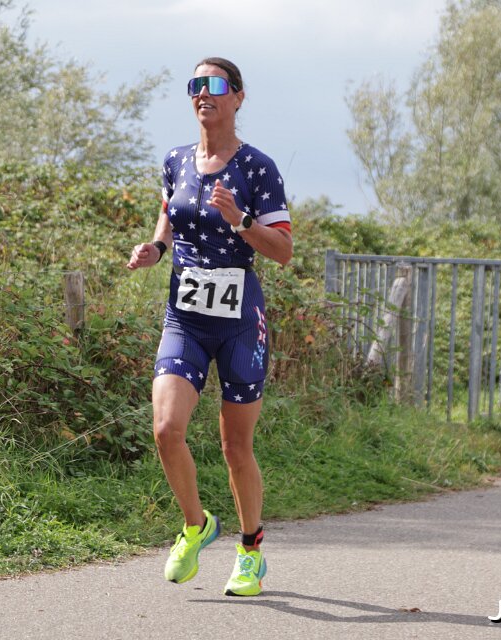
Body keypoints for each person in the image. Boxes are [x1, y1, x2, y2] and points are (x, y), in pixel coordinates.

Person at [126, 57, 293, 597]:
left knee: (235, 447)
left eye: (216, 85)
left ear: (238, 97)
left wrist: (240, 221)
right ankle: (196, 525)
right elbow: (168, 218)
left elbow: (283, 250)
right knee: (165, 429)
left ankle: (250, 552)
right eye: (196, 85)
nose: (204, 93)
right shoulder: (175, 160)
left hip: (240, 321)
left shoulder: (258, 168)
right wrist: (154, 249)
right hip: (186, 317)